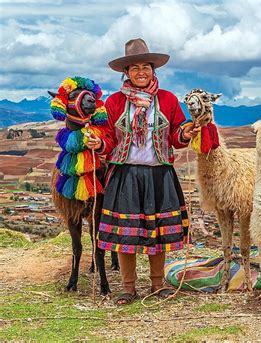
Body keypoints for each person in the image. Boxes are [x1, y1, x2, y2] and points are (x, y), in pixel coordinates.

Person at [86, 38, 199, 305]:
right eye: (134, 67)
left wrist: (185, 131)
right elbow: (109, 139)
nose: (141, 72)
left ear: (153, 70)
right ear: (126, 72)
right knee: (127, 234)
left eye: (145, 67)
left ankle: (158, 285)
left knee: (156, 232)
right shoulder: (114, 103)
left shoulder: (168, 99)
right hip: (125, 175)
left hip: (159, 174)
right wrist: (99, 143)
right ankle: (128, 287)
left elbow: (175, 135)